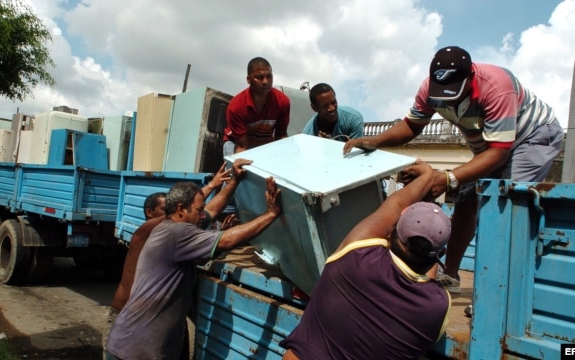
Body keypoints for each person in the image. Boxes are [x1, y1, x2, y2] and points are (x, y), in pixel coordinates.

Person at [343, 46, 563, 294]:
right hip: (490, 146)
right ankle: (451, 275)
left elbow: (499, 152)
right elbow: (412, 126)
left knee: (508, 203)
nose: (449, 100)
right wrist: (375, 141)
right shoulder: (429, 88)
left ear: (470, 76)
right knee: (465, 198)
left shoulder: (497, 87)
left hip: (531, 136)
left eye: (454, 93)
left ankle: (499, 294)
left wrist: (448, 178)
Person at [104, 161, 282, 360]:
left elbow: (212, 211)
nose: (203, 216)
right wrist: (271, 213)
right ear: (181, 210)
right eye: (199, 210)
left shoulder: (172, 228)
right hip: (134, 351)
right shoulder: (177, 233)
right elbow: (227, 240)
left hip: (140, 346)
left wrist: (235, 181)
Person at [280, 162, 452, 359]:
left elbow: (394, 205)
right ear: (441, 254)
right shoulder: (438, 305)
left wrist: (427, 174)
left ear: (391, 232)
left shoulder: (356, 252)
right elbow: (426, 279)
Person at [223, 56, 291, 156]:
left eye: (269, 76)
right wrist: (238, 167)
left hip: (264, 144)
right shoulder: (236, 106)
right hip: (236, 143)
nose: (265, 82)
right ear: (248, 79)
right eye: (259, 77)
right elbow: (242, 146)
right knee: (234, 170)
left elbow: (281, 134)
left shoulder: (282, 102)